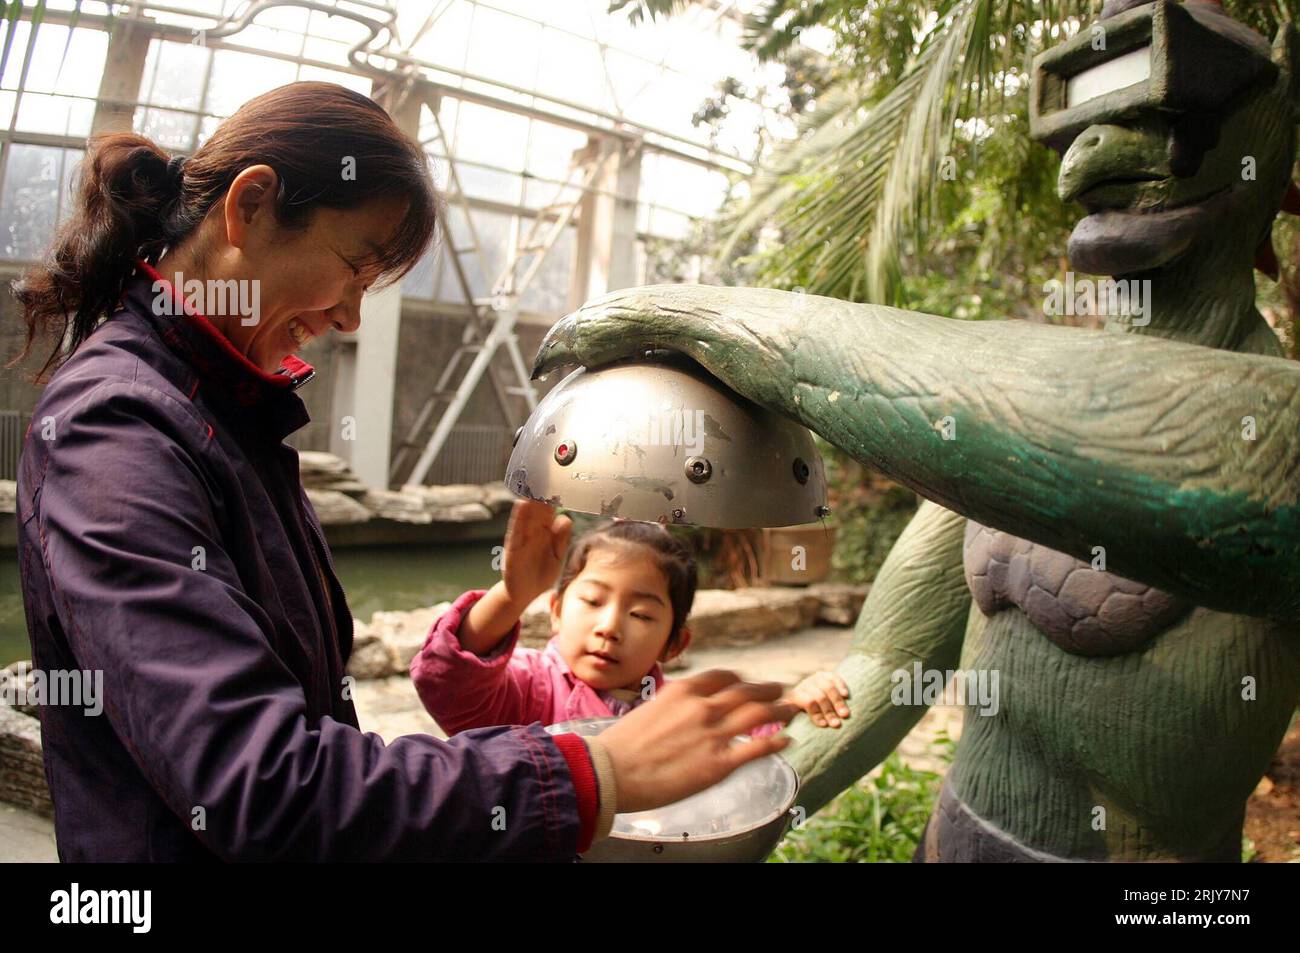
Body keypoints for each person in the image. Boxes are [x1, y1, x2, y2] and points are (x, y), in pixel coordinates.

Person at [9, 81, 798, 862]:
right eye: (353, 269)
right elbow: (263, 786)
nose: (351, 317)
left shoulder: (229, 407)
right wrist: (594, 770)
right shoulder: (116, 428)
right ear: (250, 206)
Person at [411, 499, 853, 734]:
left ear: (674, 644)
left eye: (641, 615)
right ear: (557, 610)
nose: (609, 627)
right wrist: (510, 597)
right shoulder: (526, 687)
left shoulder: (680, 711)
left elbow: (747, 733)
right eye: (592, 601)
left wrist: (798, 700)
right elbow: (444, 680)